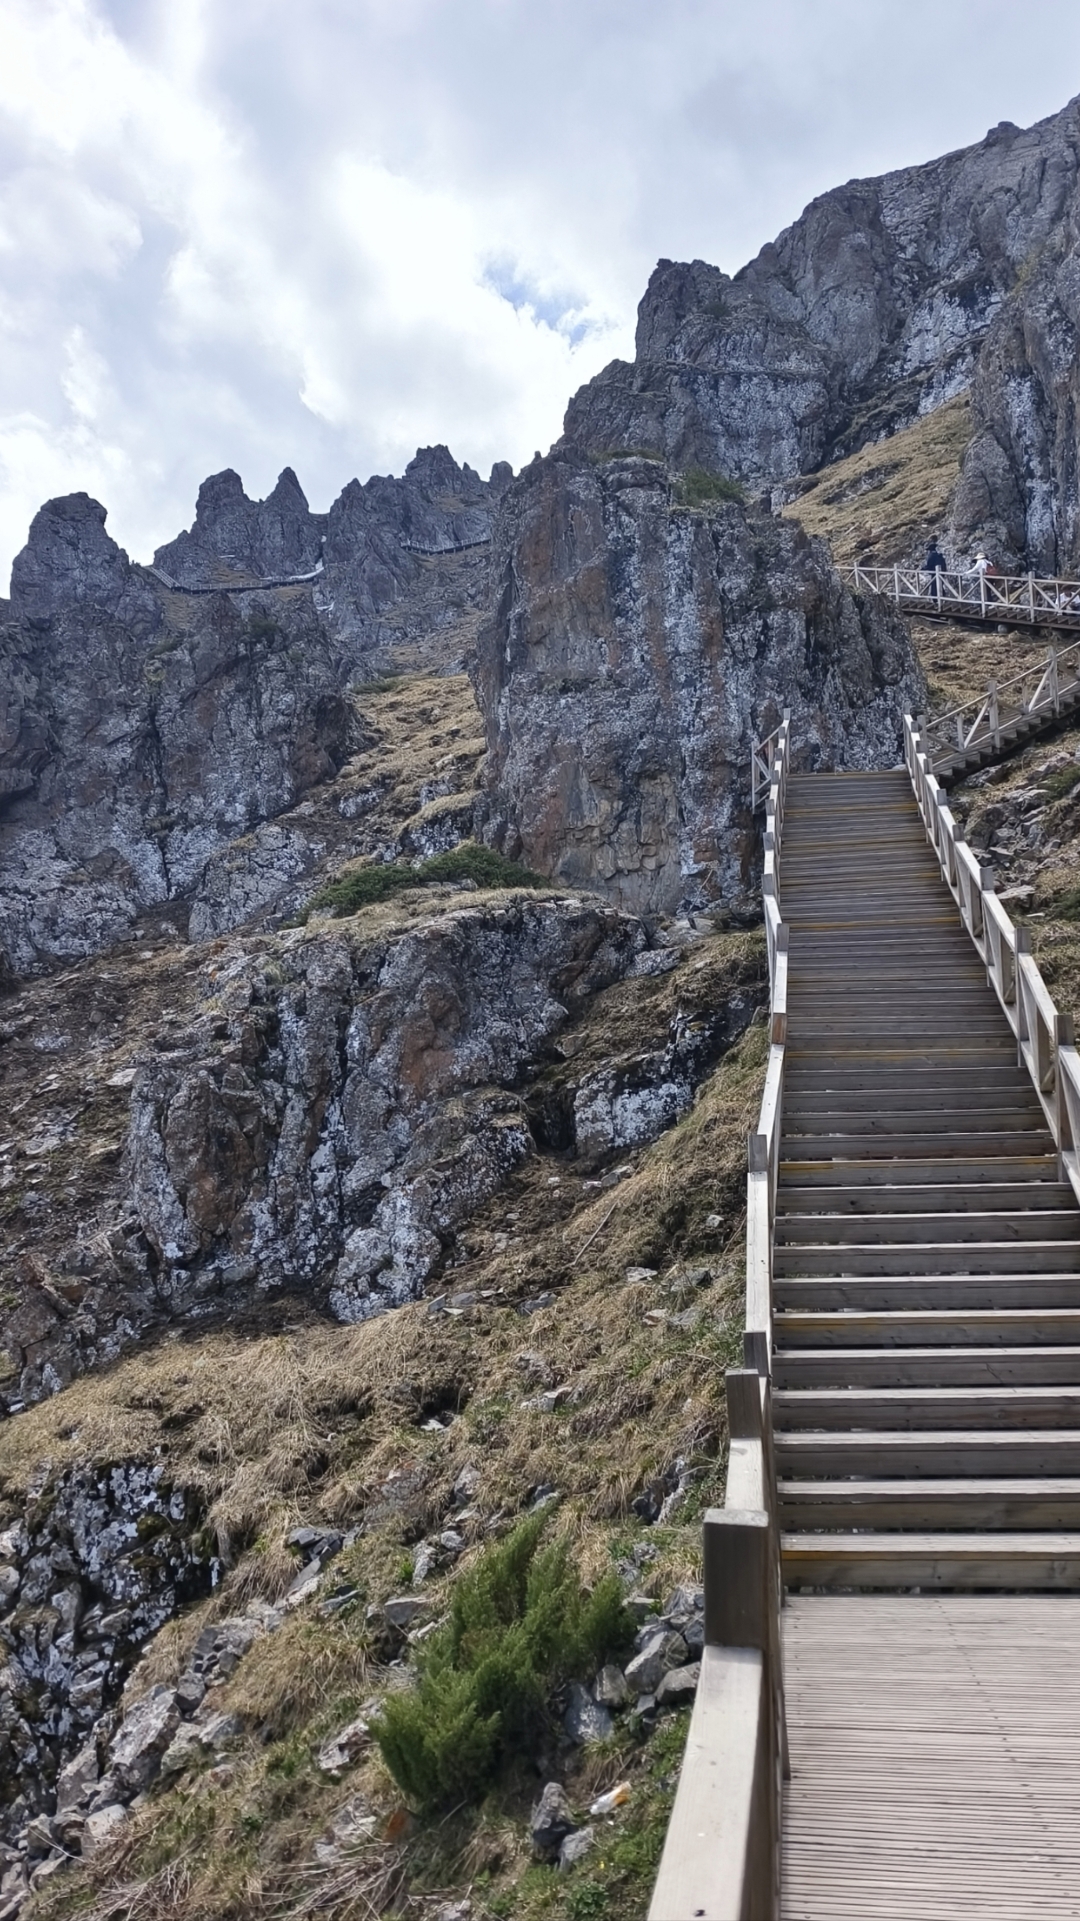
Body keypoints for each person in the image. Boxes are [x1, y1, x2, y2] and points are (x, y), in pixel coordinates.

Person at [924, 537, 947, 604]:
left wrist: (923, 568)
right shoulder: (939, 556)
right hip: (941, 572)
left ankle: (936, 601)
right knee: (940, 586)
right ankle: (942, 599)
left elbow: (929, 566)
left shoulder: (931, 556)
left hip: (934, 574)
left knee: (934, 587)